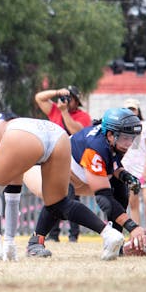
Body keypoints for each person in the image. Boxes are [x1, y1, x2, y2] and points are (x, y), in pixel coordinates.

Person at [0, 113, 124, 262]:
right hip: (57, 134)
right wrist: (9, 243)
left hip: (23, 135)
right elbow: (13, 199)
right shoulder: (4, 145)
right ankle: (109, 234)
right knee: (58, 204)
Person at [23, 107, 146, 257]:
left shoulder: (108, 138)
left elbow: (111, 163)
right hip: (39, 167)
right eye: (125, 138)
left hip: (73, 174)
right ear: (110, 135)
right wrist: (132, 227)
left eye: (132, 138)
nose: (129, 143)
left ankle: (116, 243)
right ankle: (35, 242)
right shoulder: (95, 147)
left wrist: (124, 175)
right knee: (60, 199)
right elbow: (103, 198)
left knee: (120, 187)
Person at [34, 85, 91, 242]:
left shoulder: (82, 116)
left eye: (70, 98)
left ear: (77, 101)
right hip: (53, 158)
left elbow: (76, 131)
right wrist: (57, 92)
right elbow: (39, 97)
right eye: (65, 97)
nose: (66, 100)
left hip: (72, 160)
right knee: (53, 196)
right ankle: (53, 235)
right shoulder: (55, 110)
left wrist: (65, 112)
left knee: (72, 198)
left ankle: (73, 236)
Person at [121, 98, 146, 235]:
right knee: (133, 203)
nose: (131, 112)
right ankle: (137, 231)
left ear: (138, 110)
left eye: (133, 109)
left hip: (145, 169)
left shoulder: (145, 125)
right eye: (128, 109)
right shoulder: (121, 127)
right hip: (130, 171)